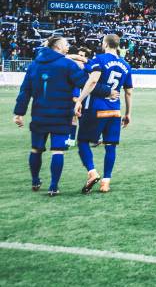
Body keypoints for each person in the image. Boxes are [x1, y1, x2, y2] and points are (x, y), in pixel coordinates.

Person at [13, 36, 92, 196]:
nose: (68, 47)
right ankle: (53, 186)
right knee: (57, 151)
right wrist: (106, 90)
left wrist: (19, 113)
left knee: (36, 149)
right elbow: (85, 82)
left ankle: (35, 181)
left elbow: (25, 91)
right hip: (61, 115)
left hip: (39, 115)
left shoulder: (34, 65)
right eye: (65, 44)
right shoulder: (67, 64)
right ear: (57, 47)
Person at [74, 34, 134, 194]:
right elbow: (128, 92)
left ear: (105, 44)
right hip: (115, 111)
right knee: (110, 146)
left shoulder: (99, 59)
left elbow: (93, 81)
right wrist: (128, 114)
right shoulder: (126, 65)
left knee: (82, 141)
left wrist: (79, 100)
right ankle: (106, 182)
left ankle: (92, 172)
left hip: (97, 108)